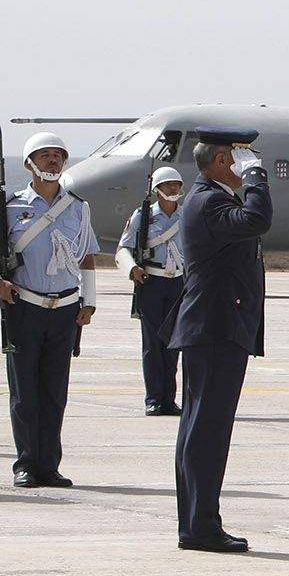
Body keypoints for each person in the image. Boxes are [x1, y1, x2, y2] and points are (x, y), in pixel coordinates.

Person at [0, 131, 99, 487]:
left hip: (65, 310)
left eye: (58, 155)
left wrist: (89, 301)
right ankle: (26, 464)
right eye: (44, 155)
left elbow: (86, 255)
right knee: (25, 392)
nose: (53, 161)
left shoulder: (78, 207)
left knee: (55, 393)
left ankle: (49, 465)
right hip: (24, 308)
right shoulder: (9, 207)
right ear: (29, 163)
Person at [170, 131, 272, 551]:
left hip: (215, 325)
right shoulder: (210, 201)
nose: (244, 162)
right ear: (218, 162)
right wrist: (257, 178)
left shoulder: (208, 198)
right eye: (237, 157)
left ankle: (198, 522)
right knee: (207, 430)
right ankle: (200, 527)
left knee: (201, 428)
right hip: (215, 326)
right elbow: (258, 220)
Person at [116, 164, 189, 417]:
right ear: (157, 189)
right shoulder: (143, 216)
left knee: (174, 344)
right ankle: (154, 399)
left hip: (179, 283)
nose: (173, 188)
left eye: (177, 184)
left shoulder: (187, 215)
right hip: (152, 282)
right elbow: (123, 248)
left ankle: (169, 399)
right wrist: (132, 268)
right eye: (168, 185)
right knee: (153, 344)